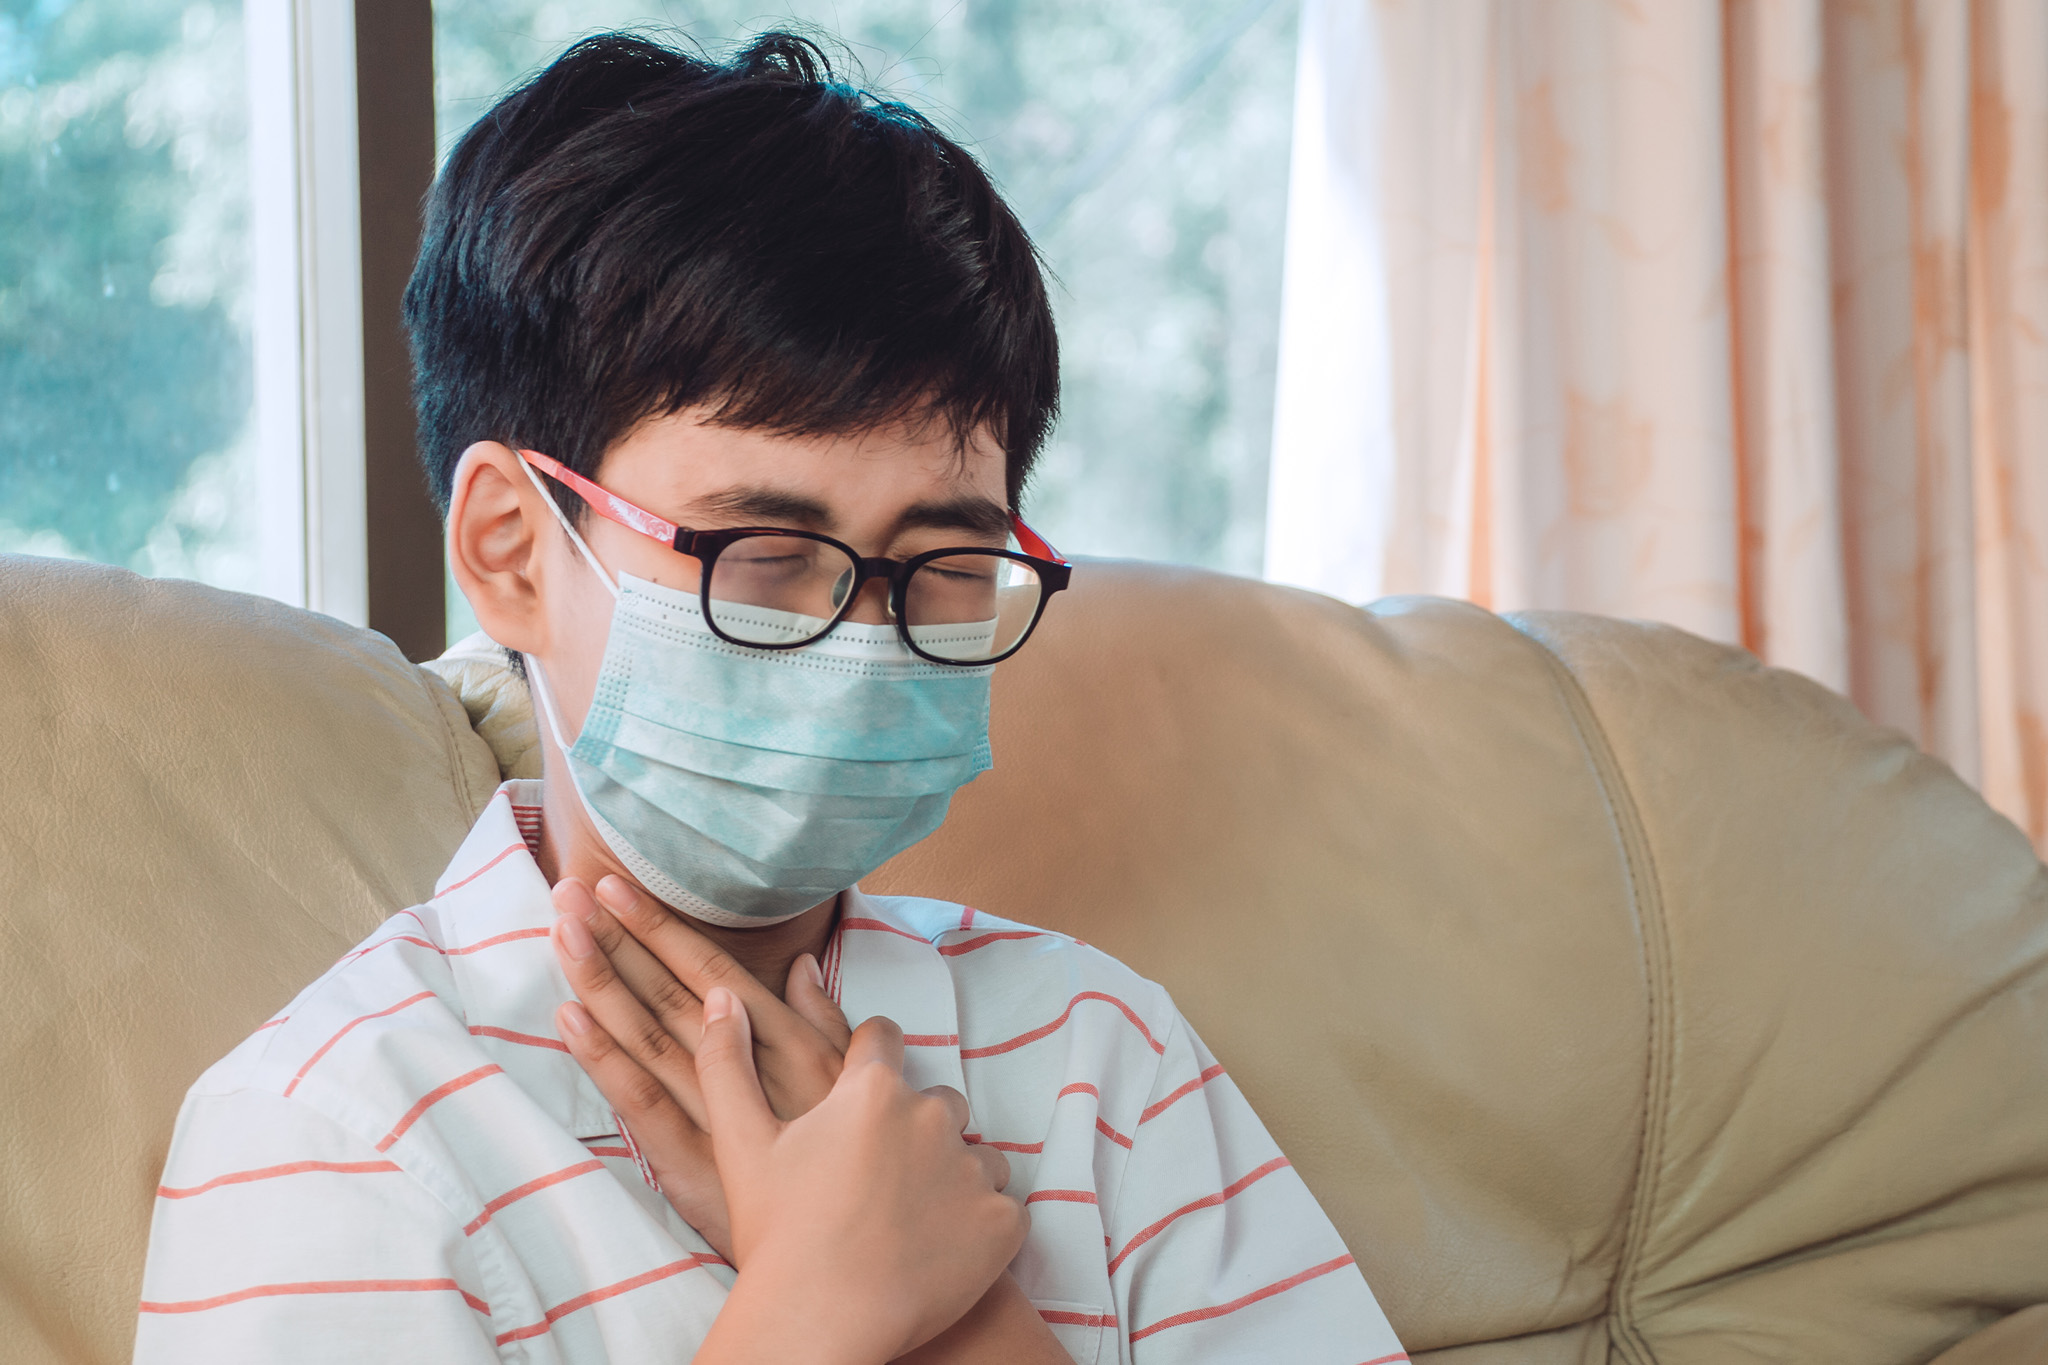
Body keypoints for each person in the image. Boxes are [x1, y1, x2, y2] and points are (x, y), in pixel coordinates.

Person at [135, 31, 1408, 1364]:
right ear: (511, 548)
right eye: (766, 556)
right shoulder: (332, 1129)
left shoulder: (1104, 1059)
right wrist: (817, 1305)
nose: (862, 637)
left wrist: (975, 1325)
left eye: (939, 562)